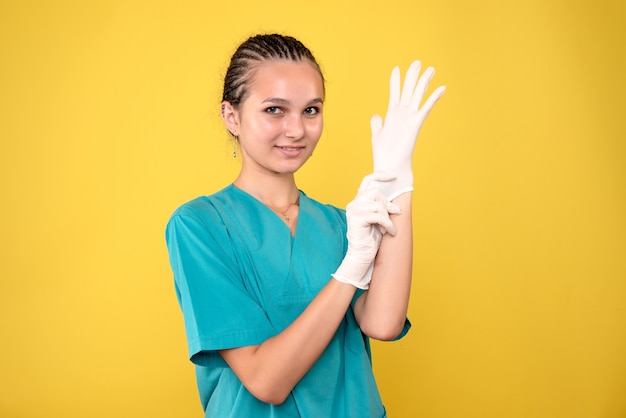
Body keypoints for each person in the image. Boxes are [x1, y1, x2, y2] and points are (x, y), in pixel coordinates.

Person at [165, 33, 445, 417]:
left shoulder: (342, 224)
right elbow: (267, 381)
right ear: (231, 116)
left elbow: (382, 322)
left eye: (311, 110)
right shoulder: (200, 226)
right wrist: (351, 271)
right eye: (275, 110)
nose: (296, 129)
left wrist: (397, 184)